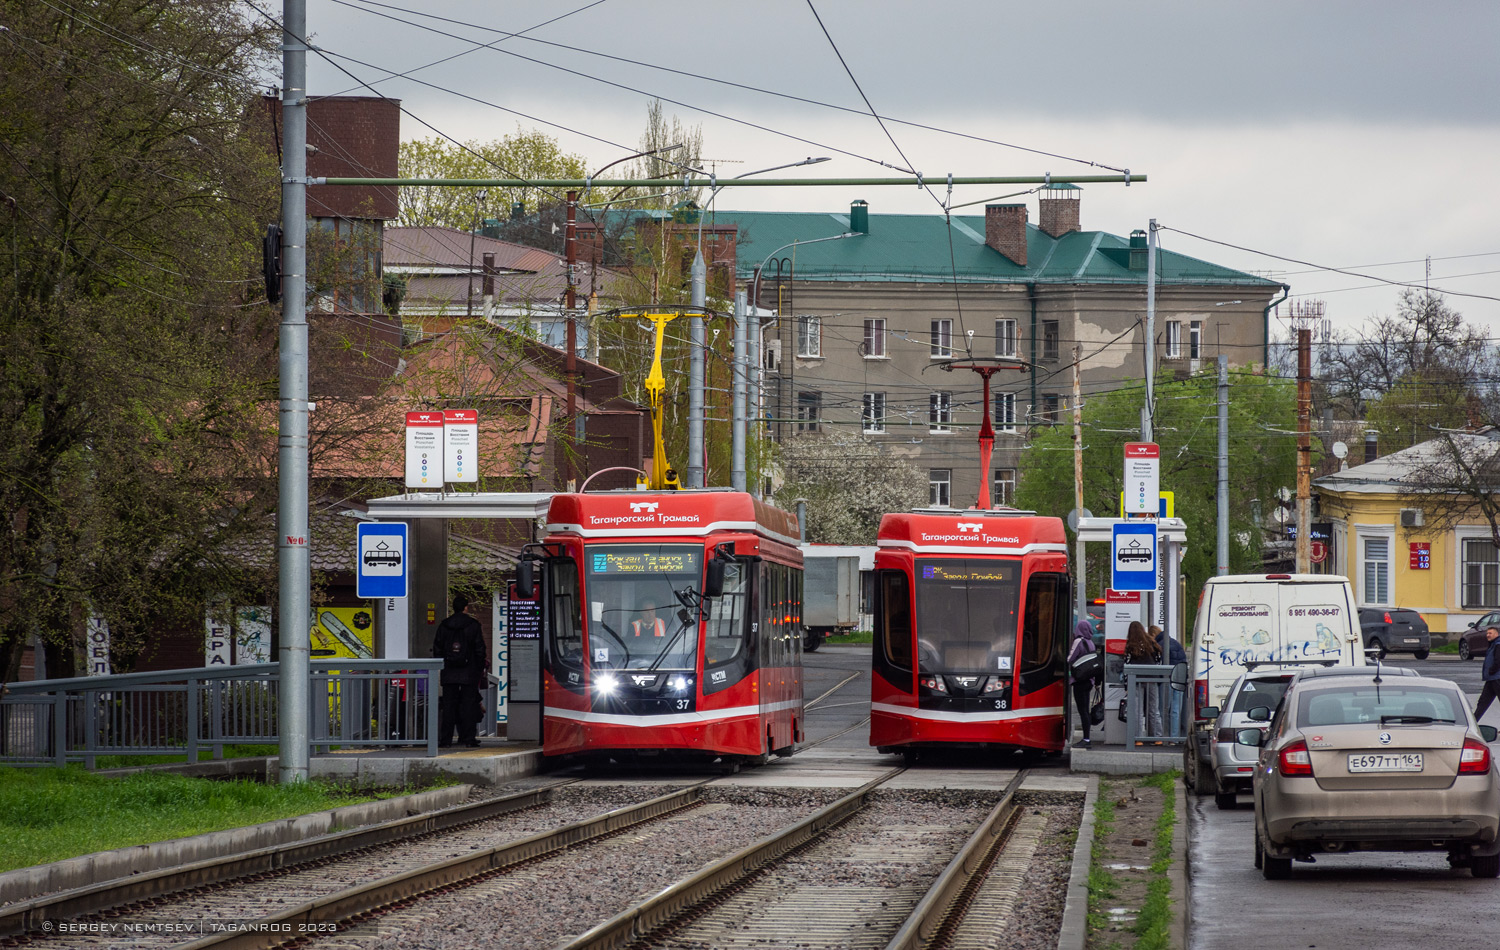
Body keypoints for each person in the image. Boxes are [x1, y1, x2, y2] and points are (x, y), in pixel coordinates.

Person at [433, 593, 486, 748]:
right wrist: (479, 668)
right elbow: (480, 649)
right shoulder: (473, 625)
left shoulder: (444, 625)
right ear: (465, 607)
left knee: (449, 706)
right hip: (469, 672)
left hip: (449, 672)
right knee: (468, 705)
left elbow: (437, 648)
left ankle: (446, 740)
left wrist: (444, 664)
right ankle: (468, 738)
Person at [1124, 620, 1163, 737]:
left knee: (1137, 711)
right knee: (1154, 709)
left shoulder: (1131, 646)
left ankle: (1138, 737)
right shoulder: (1152, 643)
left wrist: (1126, 685)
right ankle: (1156, 737)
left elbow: (1127, 664)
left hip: (1136, 680)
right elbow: (1158, 661)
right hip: (1153, 678)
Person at [1068, 620, 1100, 747]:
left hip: (1079, 680)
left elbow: (1070, 658)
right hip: (1089, 680)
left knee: (1083, 711)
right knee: (1085, 710)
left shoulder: (1078, 641)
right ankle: (1087, 738)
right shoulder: (1090, 642)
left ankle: (1086, 739)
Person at [1152, 624, 1187, 736]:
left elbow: (1158, 663)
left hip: (1167, 680)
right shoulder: (1176, 643)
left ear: (1153, 635)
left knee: (1163, 709)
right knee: (1176, 710)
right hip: (1180, 679)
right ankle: (1174, 737)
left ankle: (1164, 735)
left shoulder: (1160, 645)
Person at [1475, 626, 1500, 722]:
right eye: (1487, 633)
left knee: (1483, 703)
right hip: (1491, 679)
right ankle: (1472, 724)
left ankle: (1473, 723)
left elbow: (1498, 660)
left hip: (1497, 678)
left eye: (1490, 633)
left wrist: (1492, 670)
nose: (1488, 635)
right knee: (1482, 703)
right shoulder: (1493, 644)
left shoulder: (1498, 644)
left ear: (1497, 634)